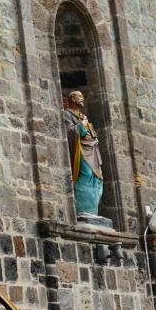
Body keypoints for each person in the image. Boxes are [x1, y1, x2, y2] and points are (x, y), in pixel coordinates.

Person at [63, 84, 105, 220]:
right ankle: (83, 210)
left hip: (92, 149)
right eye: (79, 97)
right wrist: (81, 126)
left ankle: (92, 211)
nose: (82, 99)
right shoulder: (67, 114)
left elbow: (91, 134)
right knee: (85, 175)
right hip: (80, 150)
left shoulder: (83, 116)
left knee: (96, 178)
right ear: (72, 100)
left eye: (82, 97)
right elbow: (69, 131)